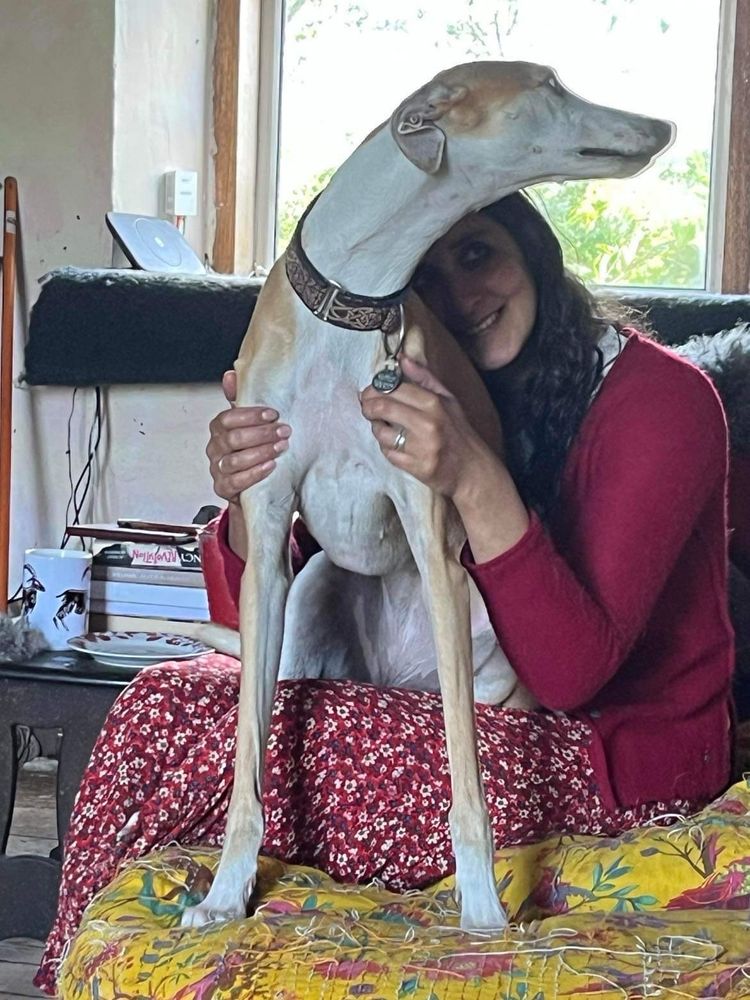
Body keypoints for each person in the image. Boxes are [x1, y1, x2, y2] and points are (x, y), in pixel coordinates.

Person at [35, 192, 734, 995]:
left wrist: (471, 472)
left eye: (477, 255)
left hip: (613, 755)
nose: (457, 300)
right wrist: (247, 489)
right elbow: (252, 607)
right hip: (437, 693)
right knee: (162, 700)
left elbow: (574, 675)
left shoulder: (664, 401)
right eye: (422, 282)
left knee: (199, 738)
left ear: (536, 251)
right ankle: (77, 971)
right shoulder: (413, 375)